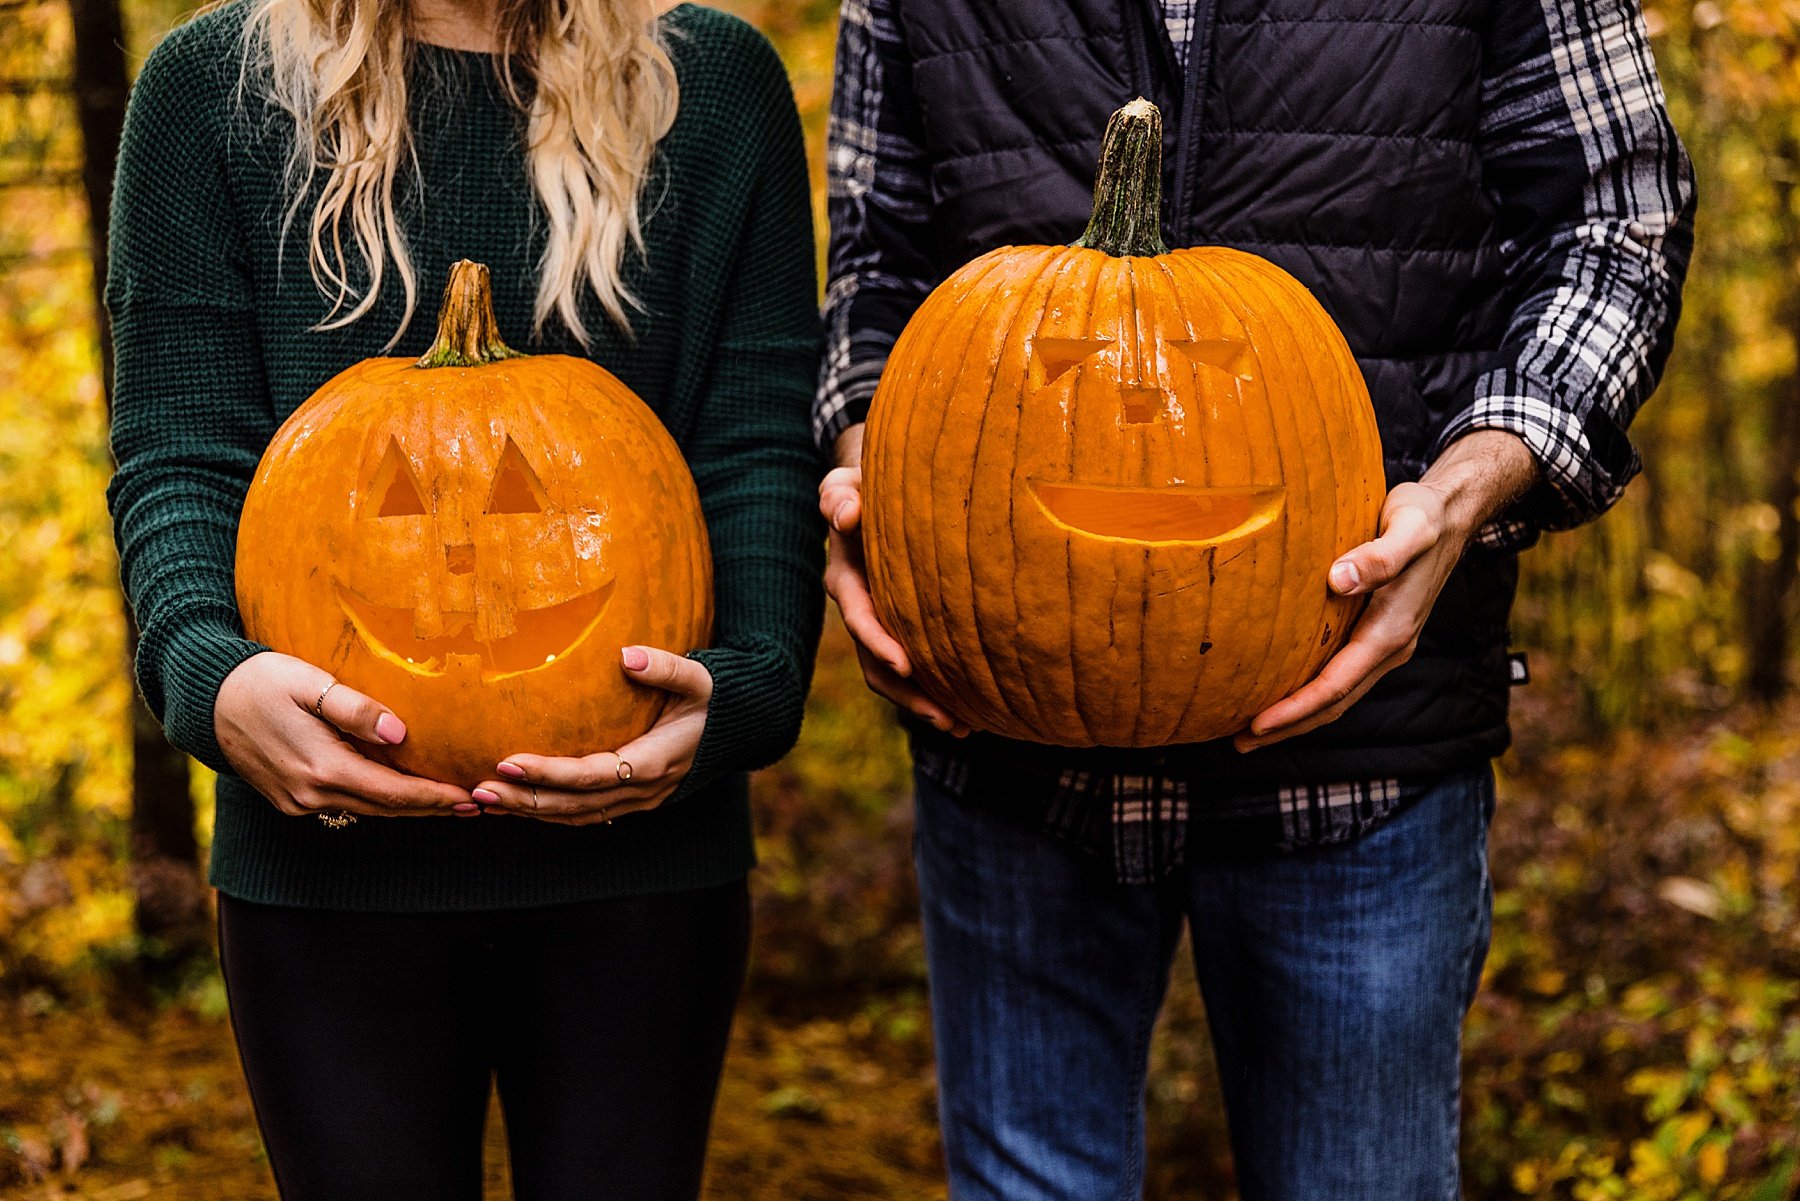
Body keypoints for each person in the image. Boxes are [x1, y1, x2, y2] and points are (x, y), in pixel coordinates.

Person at [817, 0, 1693, 1198]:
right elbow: (876, 262)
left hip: (1365, 743)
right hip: (1004, 736)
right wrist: (874, 480)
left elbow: (1617, 221)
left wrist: (1470, 485)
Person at [105, 0, 824, 1194]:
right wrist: (210, 673)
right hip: (324, 856)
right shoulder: (212, 90)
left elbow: (754, 445)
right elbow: (181, 451)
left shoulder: (712, 85)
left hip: (646, 856)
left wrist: (744, 694)